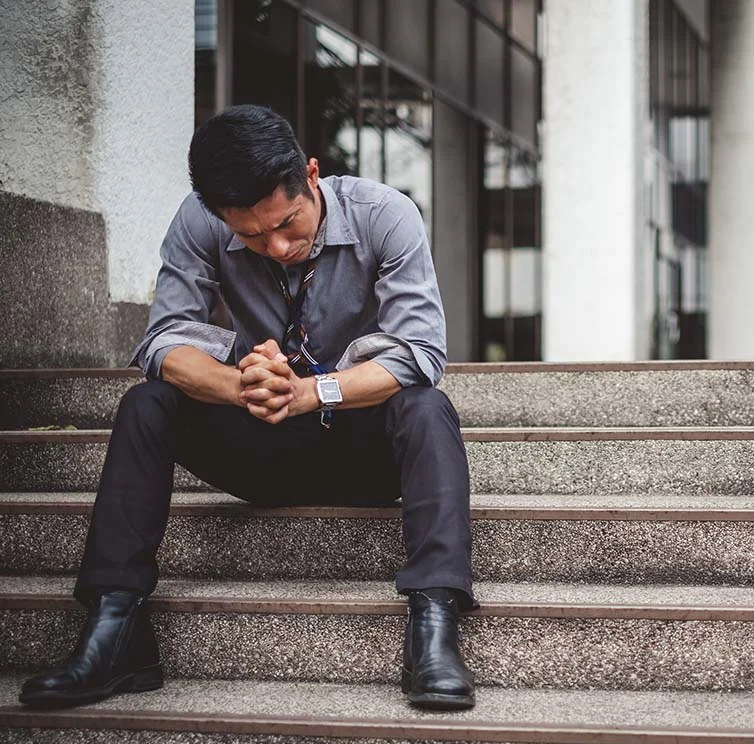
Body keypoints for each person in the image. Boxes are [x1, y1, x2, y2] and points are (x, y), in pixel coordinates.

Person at [18, 105, 475, 711]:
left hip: (363, 450)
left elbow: (420, 352)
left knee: (426, 406)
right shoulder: (201, 221)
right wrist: (241, 388)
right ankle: (115, 627)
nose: (278, 246)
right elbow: (162, 341)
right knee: (147, 403)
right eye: (253, 237)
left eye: (288, 223)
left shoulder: (384, 215)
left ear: (311, 175)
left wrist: (312, 391)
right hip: (261, 443)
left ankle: (435, 625)